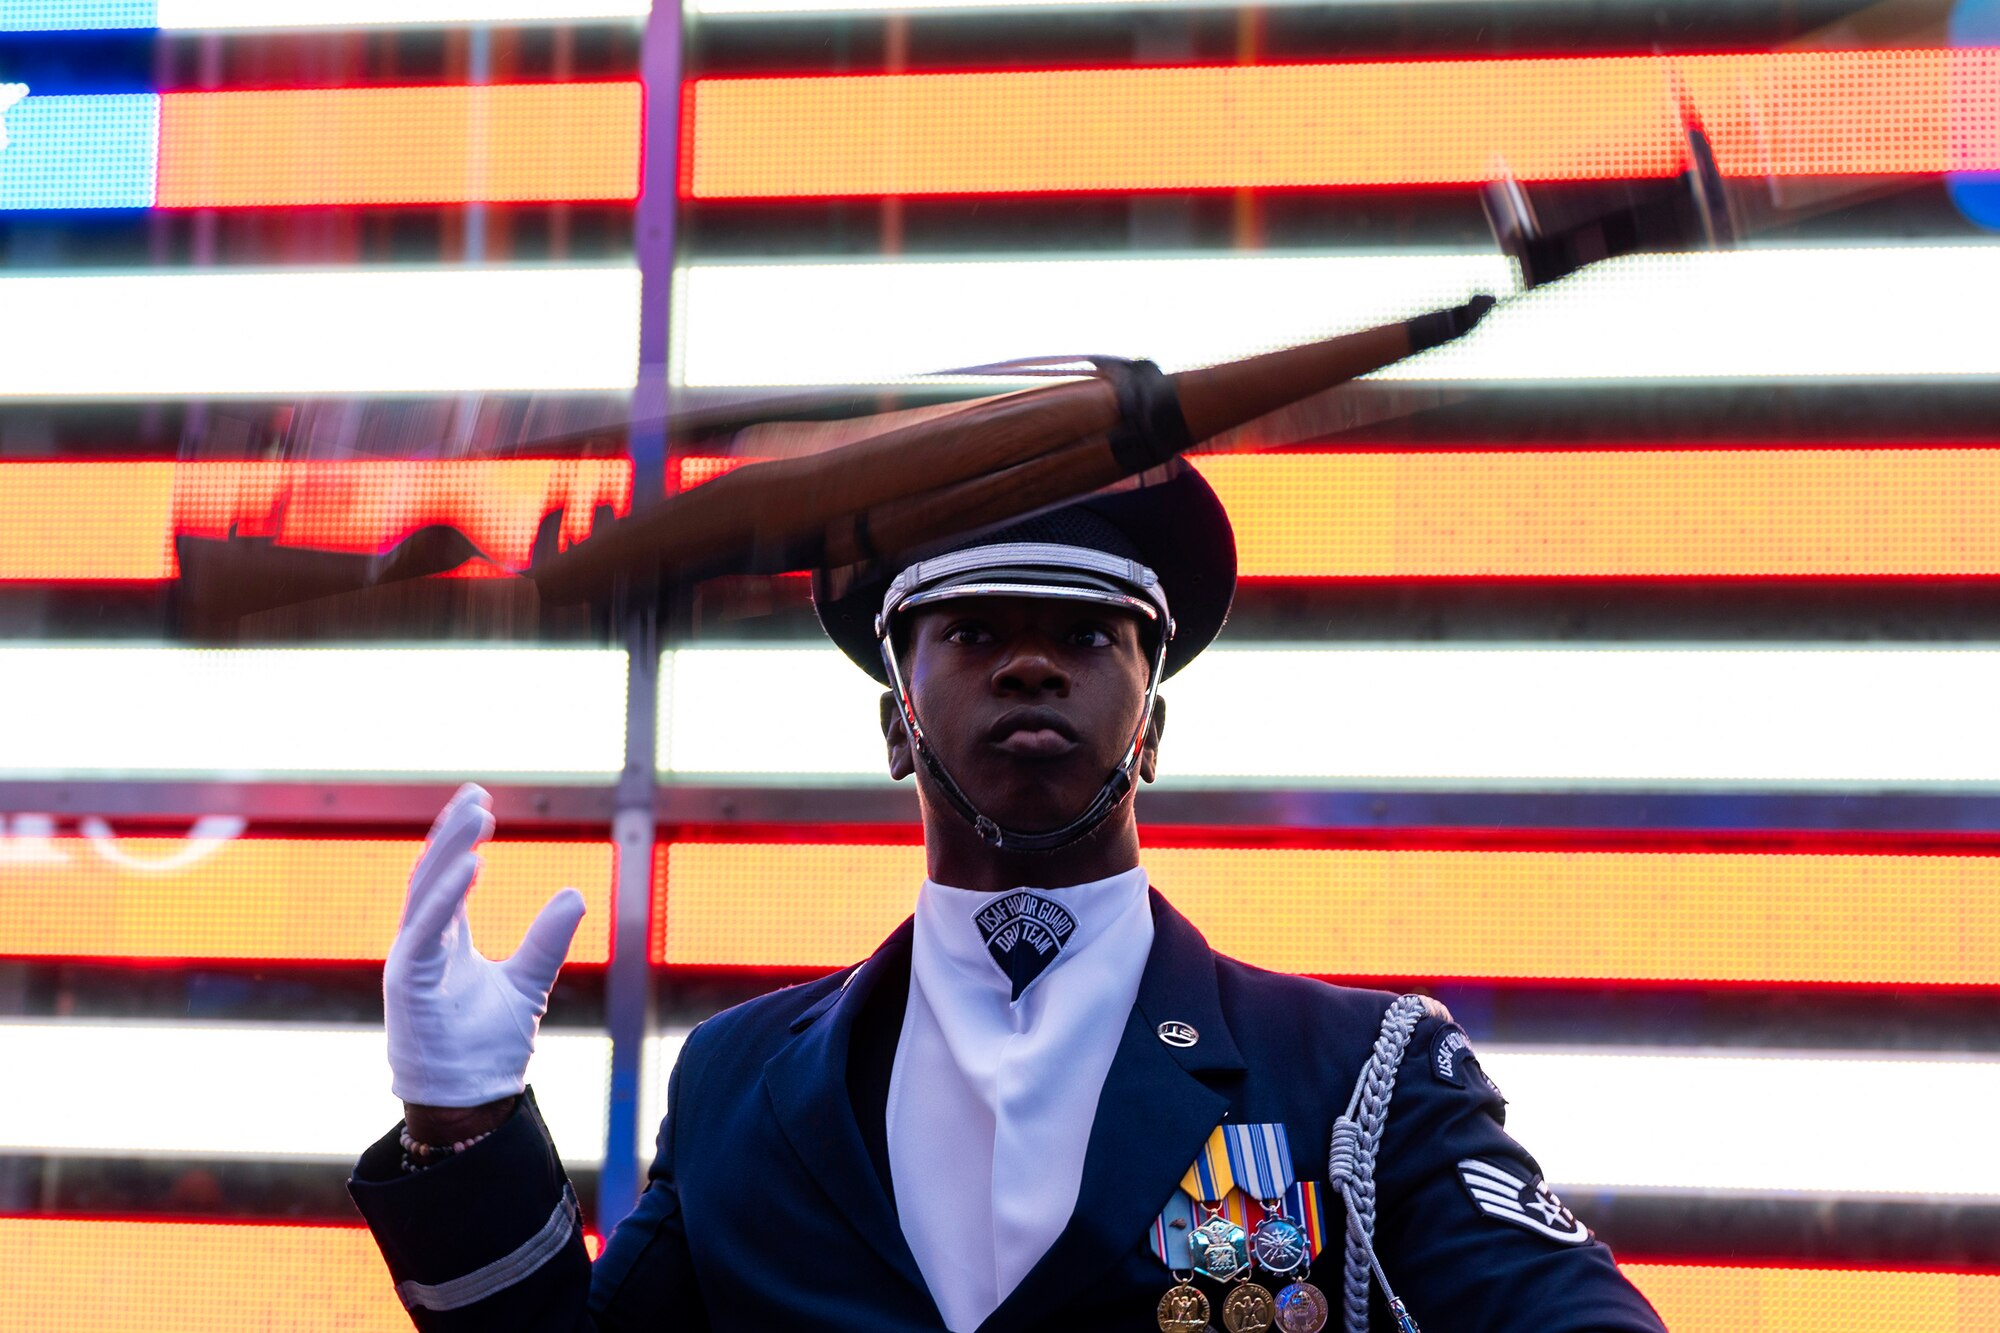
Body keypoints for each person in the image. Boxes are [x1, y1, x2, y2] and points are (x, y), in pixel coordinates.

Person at [349, 461, 1667, 1333]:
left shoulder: (1357, 1077)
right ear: (895, 722)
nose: (1032, 662)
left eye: (1089, 635)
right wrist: (460, 1126)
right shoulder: (741, 1085)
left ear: (1149, 730)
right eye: (976, 630)